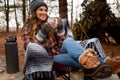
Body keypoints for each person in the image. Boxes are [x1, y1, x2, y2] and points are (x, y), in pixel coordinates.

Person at [21, 0, 120, 80]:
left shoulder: (51, 23)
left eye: (45, 10)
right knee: (73, 57)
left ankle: (92, 63)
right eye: (40, 10)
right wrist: (43, 32)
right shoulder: (27, 28)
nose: (44, 12)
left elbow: (62, 41)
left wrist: (60, 28)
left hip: (60, 52)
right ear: (34, 12)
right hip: (48, 58)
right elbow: (29, 47)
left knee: (68, 41)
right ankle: (106, 63)